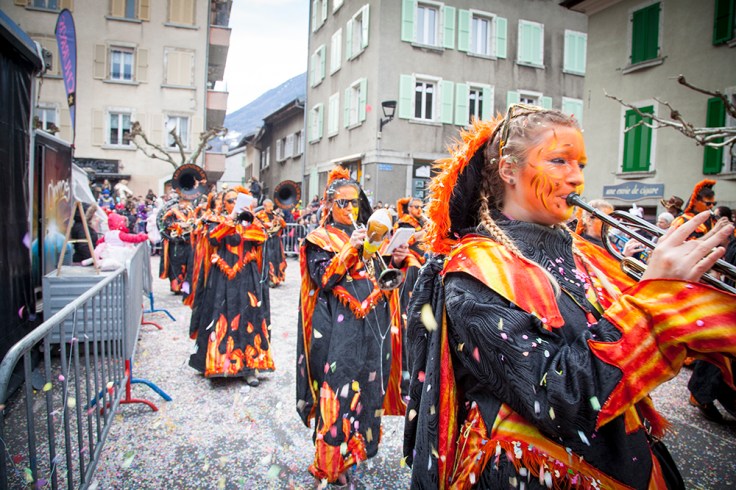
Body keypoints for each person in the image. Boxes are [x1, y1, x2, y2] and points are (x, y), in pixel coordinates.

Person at [403, 106, 736, 489]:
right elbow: (559, 401)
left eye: (579, 164)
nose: (576, 177)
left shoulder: (583, 253)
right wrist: (652, 302)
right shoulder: (474, 271)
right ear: (509, 170)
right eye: (559, 161)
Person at [296, 166, 409, 486]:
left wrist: (396, 259)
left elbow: (379, 276)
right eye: (342, 203)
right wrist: (350, 248)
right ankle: (331, 463)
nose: (349, 208)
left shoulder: (367, 232)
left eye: (355, 202)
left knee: (368, 386)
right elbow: (324, 278)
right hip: (337, 328)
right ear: (329, 204)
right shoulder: (318, 238)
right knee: (337, 388)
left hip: (371, 325)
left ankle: (356, 451)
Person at [188, 186, 275, 386]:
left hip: (247, 277)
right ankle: (219, 364)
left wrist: (249, 220)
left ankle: (249, 367)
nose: (234, 203)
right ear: (223, 204)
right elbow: (213, 238)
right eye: (230, 200)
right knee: (222, 315)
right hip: (222, 277)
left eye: (237, 200)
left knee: (248, 317)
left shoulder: (252, 221)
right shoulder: (217, 221)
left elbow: (261, 239)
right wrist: (231, 219)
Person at [672, 181, 736, 424]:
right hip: (686, 278)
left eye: (713, 204)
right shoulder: (684, 221)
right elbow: (680, 248)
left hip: (706, 279)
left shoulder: (709, 222)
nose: (710, 207)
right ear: (696, 201)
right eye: (707, 203)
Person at [159, 198, 195, 295]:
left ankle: (186, 288)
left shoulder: (191, 211)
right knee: (176, 266)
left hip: (188, 242)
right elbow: (165, 224)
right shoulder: (171, 212)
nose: (184, 204)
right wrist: (179, 225)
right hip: (175, 244)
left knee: (188, 266)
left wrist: (190, 226)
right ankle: (176, 287)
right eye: (182, 201)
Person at [255, 199, 287, 287]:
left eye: (271, 206)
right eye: (269, 206)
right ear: (264, 206)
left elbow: (284, 225)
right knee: (268, 259)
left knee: (277, 259)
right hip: (266, 240)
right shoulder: (259, 215)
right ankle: (270, 279)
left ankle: (277, 277)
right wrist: (266, 224)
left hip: (276, 240)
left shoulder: (275, 215)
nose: (271, 208)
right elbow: (256, 225)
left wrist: (280, 219)